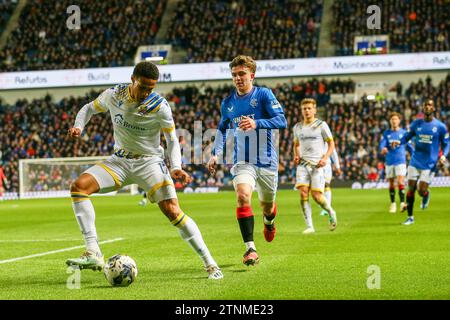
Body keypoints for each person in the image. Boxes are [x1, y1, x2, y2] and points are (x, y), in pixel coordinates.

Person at [66, 61, 223, 280]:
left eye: (151, 88)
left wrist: (176, 167)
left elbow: (171, 140)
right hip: (119, 160)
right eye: (143, 87)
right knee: (78, 187)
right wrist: (78, 126)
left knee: (173, 212)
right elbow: (89, 108)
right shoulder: (114, 95)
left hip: (149, 162)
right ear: (133, 79)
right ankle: (93, 251)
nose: (146, 92)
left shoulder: (159, 106)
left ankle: (210, 263)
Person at [207, 55, 287, 266]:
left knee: (267, 207)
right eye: (234, 75)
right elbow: (222, 130)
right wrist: (215, 153)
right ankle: (250, 248)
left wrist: (256, 123)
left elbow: (282, 120)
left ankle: (269, 222)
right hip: (243, 161)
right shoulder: (228, 103)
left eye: (242, 74)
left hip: (267, 161)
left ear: (252, 75)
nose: (238, 78)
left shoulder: (263, 95)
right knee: (243, 196)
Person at [392, 99, 449, 225]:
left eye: (430, 105)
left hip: (430, 164)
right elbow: (407, 137)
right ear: (423, 108)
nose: (427, 107)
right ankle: (410, 217)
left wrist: (444, 155)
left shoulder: (440, 126)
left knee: (420, 190)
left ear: (433, 108)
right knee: (411, 188)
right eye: (425, 105)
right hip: (415, 161)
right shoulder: (416, 123)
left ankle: (426, 194)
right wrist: (399, 142)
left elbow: (446, 143)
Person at [293, 98, 337, 234]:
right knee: (303, 193)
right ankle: (309, 226)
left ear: (314, 110)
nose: (307, 111)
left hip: (317, 165)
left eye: (309, 108)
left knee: (317, 196)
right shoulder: (297, 127)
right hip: (302, 165)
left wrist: (325, 158)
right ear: (301, 111)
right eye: (304, 108)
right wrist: (296, 155)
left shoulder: (321, 125)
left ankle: (330, 211)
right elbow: (296, 145)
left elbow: (331, 144)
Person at [379, 112, 413, 213]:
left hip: (400, 160)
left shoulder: (404, 133)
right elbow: (382, 145)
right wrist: (383, 149)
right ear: (390, 121)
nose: (394, 121)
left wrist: (413, 155)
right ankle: (393, 203)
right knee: (391, 183)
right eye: (392, 119)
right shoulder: (386, 133)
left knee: (400, 181)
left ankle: (402, 203)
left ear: (399, 121)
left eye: (396, 119)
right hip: (389, 161)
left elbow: (410, 147)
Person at [319, 145, 342, 216]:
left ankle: (327, 208)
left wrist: (337, 167)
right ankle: (324, 206)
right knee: (318, 188)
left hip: (326, 165)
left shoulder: (327, 137)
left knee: (325, 185)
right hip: (316, 165)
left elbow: (333, 152)